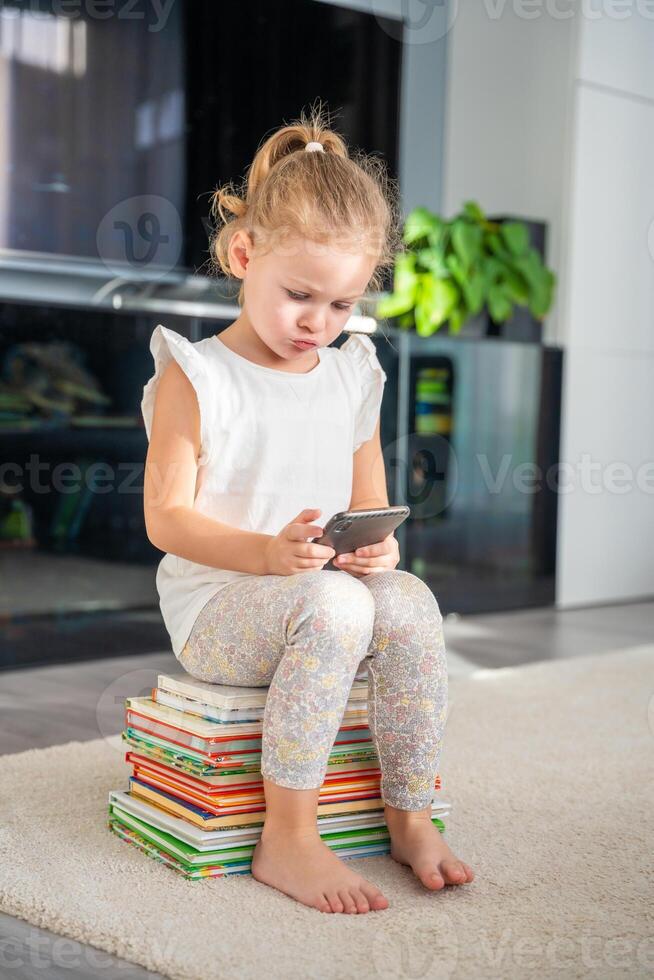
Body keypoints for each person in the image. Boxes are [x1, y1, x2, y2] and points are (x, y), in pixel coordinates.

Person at [141, 104, 474, 914]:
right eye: (300, 296)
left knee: (409, 602)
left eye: (341, 305)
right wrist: (266, 555)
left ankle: (409, 814)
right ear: (243, 253)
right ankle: (287, 836)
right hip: (221, 606)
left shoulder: (351, 374)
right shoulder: (198, 374)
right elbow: (167, 522)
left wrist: (376, 551)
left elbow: (369, 504)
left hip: (321, 594)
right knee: (331, 604)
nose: (317, 325)